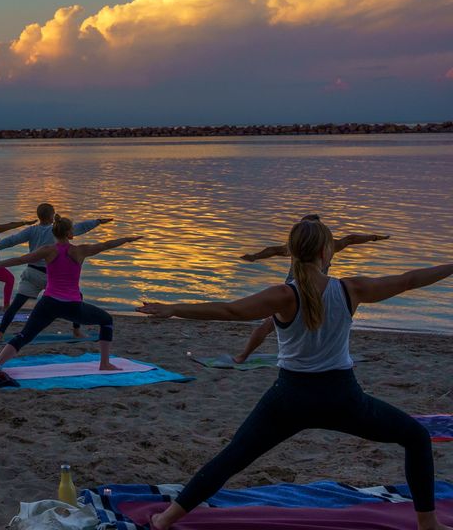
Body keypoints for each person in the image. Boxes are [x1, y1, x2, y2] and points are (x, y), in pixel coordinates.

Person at [137, 218, 452, 530]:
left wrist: (174, 307)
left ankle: (165, 521)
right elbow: (410, 279)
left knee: (233, 457)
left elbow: (229, 310)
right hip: (342, 398)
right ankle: (428, 525)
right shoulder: (351, 289)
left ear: (292, 253)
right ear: (326, 252)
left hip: (289, 399)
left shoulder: (284, 296)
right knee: (416, 438)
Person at [0, 217, 139, 371]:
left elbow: (20, 260)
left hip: (48, 303)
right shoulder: (80, 251)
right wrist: (126, 239)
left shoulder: (48, 250)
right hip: (71, 307)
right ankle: (104, 364)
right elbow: (106, 245)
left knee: (24, 335)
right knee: (106, 320)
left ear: (54, 233)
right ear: (70, 234)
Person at [233, 213, 391, 363]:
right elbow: (350, 239)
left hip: (314, 290)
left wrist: (374, 238)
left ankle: (244, 356)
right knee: (271, 324)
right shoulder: (325, 246)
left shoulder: (309, 246)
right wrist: (255, 256)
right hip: (298, 289)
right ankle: (243, 355)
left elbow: (351, 239)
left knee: (281, 323)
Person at [0, 202, 113, 341]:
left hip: (31, 273)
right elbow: (80, 228)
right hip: (49, 277)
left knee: (16, 304)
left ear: (39, 216)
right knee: (78, 297)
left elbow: (12, 240)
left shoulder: (32, 230)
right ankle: (76, 331)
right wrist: (97, 222)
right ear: (52, 215)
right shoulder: (57, 230)